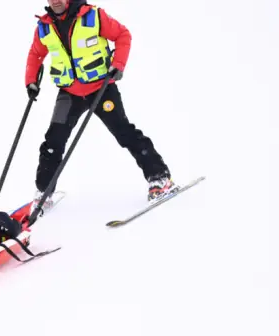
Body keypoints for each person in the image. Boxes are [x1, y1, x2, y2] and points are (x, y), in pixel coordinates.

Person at [26, 0, 177, 210]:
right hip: (69, 93)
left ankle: (159, 177)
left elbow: (123, 35)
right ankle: (44, 192)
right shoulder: (45, 26)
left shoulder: (93, 16)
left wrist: (118, 64)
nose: (55, 1)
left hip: (101, 88)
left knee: (124, 132)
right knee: (53, 141)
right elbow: (36, 54)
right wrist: (31, 81)